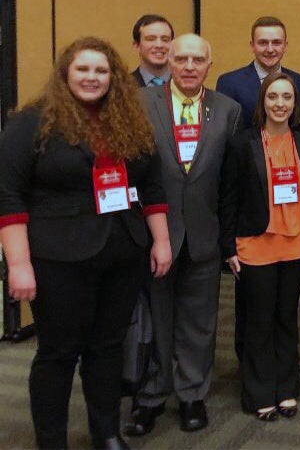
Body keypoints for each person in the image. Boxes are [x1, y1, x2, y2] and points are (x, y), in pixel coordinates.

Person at [0, 36, 172, 450]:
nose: (93, 78)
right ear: (65, 74)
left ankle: (106, 432)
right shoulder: (32, 122)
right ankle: (52, 441)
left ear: (113, 76)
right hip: (57, 257)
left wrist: (161, 241)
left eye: (101, 70)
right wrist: (18, 264)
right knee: (58, 353)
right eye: (83, 69)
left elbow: (151, 185)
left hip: (122, 252)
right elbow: (9, 196)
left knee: (108, 347)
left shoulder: (128, 120)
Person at [128, 33, 242, 436]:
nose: (190, 66)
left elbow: (231, 184)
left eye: (198, 60)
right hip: (153, 235)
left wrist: (228, 239)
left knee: (199, 321)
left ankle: (192, 395)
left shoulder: (228, 110)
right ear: (168, 63)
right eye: (182, 59)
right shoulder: (141, 105)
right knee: (154, 319)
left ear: (210, 64)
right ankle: (151, 396)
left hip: (204, 235)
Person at [220, 73, 300, 421]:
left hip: (297, 244)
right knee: (258, 321)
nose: (279, 103)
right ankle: (258, 391)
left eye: (286, 97)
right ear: (262, 102)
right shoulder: (243, 143)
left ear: (294, 103)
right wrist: (228, 245)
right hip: (255, 243)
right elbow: (227, 196)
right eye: (272, 96)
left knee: (286, 318)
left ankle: (286, 388)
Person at [216, 16, 300, 130]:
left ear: (285, 46)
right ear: (252, 46)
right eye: (263, 43)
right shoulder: (229, 83)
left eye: (276, 43)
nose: (270, 49)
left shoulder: (299, 82)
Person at [131, 14, 173, 87]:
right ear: (136, 46)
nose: (159, 45)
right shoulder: (123, 86)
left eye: (165, 40)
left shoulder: (186, 85)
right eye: (151, 39)